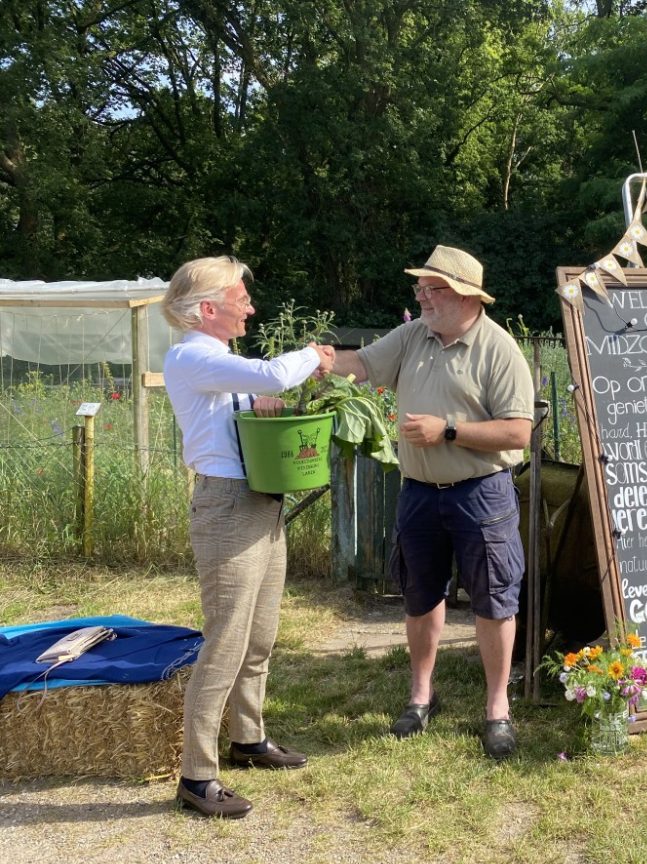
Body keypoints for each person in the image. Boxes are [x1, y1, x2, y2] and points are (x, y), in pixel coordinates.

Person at [330, 244, 532, 760]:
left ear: (464, 295)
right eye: (419, 287)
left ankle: (497, 708)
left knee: (493, 598)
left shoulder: (498, 349)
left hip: (483, 494)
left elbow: (517, 432)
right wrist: (319, 361)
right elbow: (362, 364)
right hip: (419, 494)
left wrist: (448, 431)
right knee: (420, 595)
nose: (420, 296)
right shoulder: (414, 335)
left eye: (431, 288)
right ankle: (421, 697)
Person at [162, 256, 336, 818]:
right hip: (227, 506)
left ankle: (249, 738)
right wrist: (313, 356)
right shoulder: (192, 354)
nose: (251, 307)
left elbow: (248, 395)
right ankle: (196, 776)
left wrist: (256, 405)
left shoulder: (217, 359)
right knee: (226, 640)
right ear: (208, 307)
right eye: (241, 298)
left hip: (259, 501)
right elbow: (271, 375)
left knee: (259, 634)